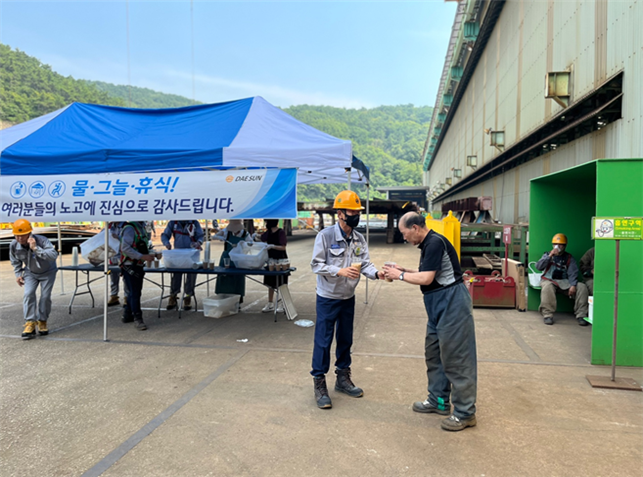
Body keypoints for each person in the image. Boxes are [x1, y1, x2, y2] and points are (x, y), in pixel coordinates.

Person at [383, 212, 477, 432]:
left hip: (452, 303)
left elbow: (426, 279)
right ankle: (439, 401)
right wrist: (403, 270)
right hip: (437, 305)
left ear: (415, 228)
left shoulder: (434, 242)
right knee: (434, 353)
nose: (404, 238)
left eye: (405, 233)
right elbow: (428, 273)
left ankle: (465, 413)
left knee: (457, 357)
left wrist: (399, 276)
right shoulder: (428, 244)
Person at [310, 190, 384, 410]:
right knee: (323, 341)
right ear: (340, 213)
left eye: (357, 211)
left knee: (345, 339)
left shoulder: (359, 238)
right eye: (352, 211)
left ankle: (343, 378)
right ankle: (319, 383)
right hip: (328, 298)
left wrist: (378, 274)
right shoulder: (325, 236)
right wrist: (339, 271)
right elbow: (316, 265)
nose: (356, 215)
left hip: (348, 297)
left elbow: (366, 264)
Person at [9, 219, 59, 340]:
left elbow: (53, 256)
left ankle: (42, 321)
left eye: (22, 235)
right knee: (28, 294)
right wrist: (18, 274)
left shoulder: (42, 240)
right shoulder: (14, 245)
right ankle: (30, 323)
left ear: (30, 233)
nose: (19, 238)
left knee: (45, 297)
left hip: (48, 272)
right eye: (17, 235)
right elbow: (15, 261)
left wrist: (35, 248)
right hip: (30, 272)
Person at [536, 233, 589, 326]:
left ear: (565, 246)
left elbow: (573, 273)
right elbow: (539, 267)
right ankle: (547, 315)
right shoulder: (547, 255)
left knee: (582, 287)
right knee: (547, 287)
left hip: (565, 282)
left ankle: (581, 315)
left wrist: (573, 285)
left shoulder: (569, 258)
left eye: (561, 244)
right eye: (556, 244)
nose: (558, 246)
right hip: (549, 280)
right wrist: (550, 256)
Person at [119, 221, 158, 331]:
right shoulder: (130, 228)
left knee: (134, 291)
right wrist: (142, 256)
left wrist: (151, 254)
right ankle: (138, 318)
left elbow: (141, 246)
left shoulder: (141, 228)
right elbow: (125, 248)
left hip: (137, 265)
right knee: (135, 292)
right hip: (130, 265)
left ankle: (127, 314)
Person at [161, 220, 204, 311]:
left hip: (192, 253)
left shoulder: (194, 223)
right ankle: (173, 296)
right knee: (176, 275)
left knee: (191, 275)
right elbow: (165, 235)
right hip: (179, 253)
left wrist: (198, 242)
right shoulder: (173, 223)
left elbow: (200, 236)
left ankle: (188, 297)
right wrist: (166, 243)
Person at [214, 220, 253, 302]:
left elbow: (251, 244)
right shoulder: (226, 231)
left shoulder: (245, 234)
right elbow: (215, 236)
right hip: (226, 258)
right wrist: (219, 236)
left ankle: (238, 299)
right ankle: (223, 297)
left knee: (238, 278)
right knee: (224, 277)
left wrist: (245, 244)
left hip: (239, 259)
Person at [260, 219, 289, 313]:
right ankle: (270, 303)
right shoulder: (268, 232)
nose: (266, 224)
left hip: (281, 260)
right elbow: (261, 238)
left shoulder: (281, 232)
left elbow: (283, 247)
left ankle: (282, 303)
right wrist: (254, 236)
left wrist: (272, 246)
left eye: (267, 222)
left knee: (281, 282)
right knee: (270, 282)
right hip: (271, 259)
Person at [107, 221, 129, 307]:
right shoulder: (109, 226)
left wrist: (118, 237)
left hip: (124, 256)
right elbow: (102, 236)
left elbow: (129, 239)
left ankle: (127, 297)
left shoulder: (126, 226)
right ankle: (114, 295)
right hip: (112, 255)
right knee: (113, 276)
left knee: (126, 277)